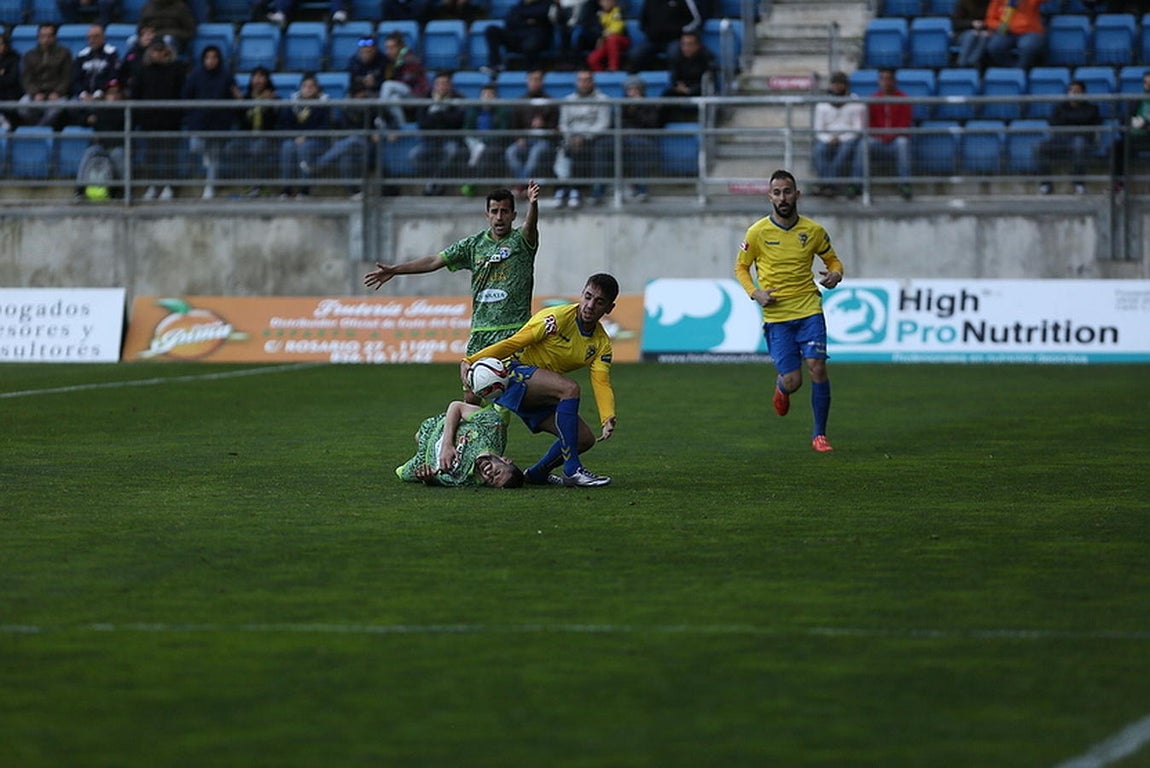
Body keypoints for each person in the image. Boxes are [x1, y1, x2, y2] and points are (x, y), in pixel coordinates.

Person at [462, 272, 620, 487]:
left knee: (584, 439)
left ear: (609, 308)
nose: (590, 305)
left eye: (599, 302)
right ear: (582, 294)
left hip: (541, 391)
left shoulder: (601, 344)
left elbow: (601, 381)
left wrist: (607, 416)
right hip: (514, 375)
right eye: (588, 296)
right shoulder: (556, 318)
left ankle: (537, 474)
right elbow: (514, 343)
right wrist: (471, 359)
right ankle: (572, 470)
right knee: (570, 388)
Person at [363, 181, 541, 361]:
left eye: (504, 211)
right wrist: (396, 270)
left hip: (515, 331)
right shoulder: (473, 245)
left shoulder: (521, 241)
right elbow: (434, 261)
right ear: (487, 215)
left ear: (513, 215)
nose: (499, 217)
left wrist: (533, 204)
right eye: (494, 211)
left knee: (519, 379)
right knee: (473, 380)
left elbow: (530, 226)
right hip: (481, 332)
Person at [733, 169, 844, 453]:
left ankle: (820, 435)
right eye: (777, 193)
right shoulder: (757, 232)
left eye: (787, 191)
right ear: (770, 197)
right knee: (794, 381)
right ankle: (782, 387)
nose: (782, 198)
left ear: (797, 194)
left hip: (809, 309)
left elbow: (833, 261)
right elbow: (741, 267)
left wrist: (835, 274)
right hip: (777, 316)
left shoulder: (813, 231)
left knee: (817, 366)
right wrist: (755, 292)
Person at [396, 400, 525, 488]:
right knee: (499, 417)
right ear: (505, 460)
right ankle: (489, 401)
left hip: (426, 458)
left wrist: (429, 479)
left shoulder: (468, 480)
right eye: (497, 473)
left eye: (491, 481)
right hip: (437, 426)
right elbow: (455, 406)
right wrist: (447, 445)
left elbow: (441, 480)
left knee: (403, 474)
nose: (489, 475)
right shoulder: (493, 430)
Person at [181, 44, 241, 200]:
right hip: (199, 121)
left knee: (214, 156)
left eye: (214, 57)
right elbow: (187, 95)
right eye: (208, 57)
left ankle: (210, 186)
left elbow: (234, 96)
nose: (211, 60)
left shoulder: (226, 76)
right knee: (196, 146)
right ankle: (206, 169)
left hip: (219, 122)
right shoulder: (196, 75)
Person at [131, 38, 184, 200]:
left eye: (161, 50)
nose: (158, 53)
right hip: (149, 121)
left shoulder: (176, 69)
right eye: (155, 50)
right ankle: (152, 186)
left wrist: (177, 115)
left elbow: (181, 93)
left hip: (170, 120)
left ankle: (169, 186)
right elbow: (136, 94)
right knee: (151, 155)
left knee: (169, 155)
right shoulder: (143, 70)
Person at [555, 68, 611, 208]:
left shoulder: (602, 99)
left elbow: (603, 124)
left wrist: (584, 136)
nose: (584, 83)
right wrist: (571, 136)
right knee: (562, 150)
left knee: (586, 149)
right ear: (576, 82)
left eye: (587, 80)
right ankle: (563, 188)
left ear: (593, 82)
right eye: (581, 80)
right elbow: (563, 124)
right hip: (570, 138)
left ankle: (575, 190)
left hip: (593, 138)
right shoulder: (568, 100)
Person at [1036, 79, 1101, 196]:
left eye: (1077, 91)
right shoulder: (1060, 107)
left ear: (1083, 93)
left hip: (1083, 140)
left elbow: (1088, 119)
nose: (1073, 94)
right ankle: (1046, 185)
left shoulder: (1092, 108)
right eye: (1071, 91)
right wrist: (1077, 120)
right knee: (1039, 147)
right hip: (1062, 140)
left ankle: (1079, 184)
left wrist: (1067, 119)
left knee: (1078, 144)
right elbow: (1053, 123)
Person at [223, 65, 279, 196]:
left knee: (257, 149)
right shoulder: (246, 98)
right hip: (247, 137)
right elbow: (241, 123)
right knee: (230, 148)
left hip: (267, 138)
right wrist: (240, 104)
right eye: (255, 77)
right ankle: (246, 182)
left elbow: (273, 123)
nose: (258, 80)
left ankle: (258, 185)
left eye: (261, 77)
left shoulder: (275, 98)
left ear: (267, 80)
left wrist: (270, 106)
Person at [409, 70, 465, 196]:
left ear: (450, 85)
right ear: (434, 85)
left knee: (452, 151)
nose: (442, 86)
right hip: (430, 140)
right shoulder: (426, 98)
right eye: (439, 83)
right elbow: (422, 122)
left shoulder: (459, 98)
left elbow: (457, 121)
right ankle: (434, 181)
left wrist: (436, 115)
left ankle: (435, 183)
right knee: (414, 155)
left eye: (445, 83)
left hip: (450, 139)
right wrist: (443, 115)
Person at [277, 72, 331, 199]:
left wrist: (307, 137)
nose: (308, 89)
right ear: (301, 88)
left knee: (305, 148)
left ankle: (304, 189)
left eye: (311, 86)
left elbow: (324, 127)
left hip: (317, 141)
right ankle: (286, 189)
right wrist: (295, 137)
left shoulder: (324, 104)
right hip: (295, 139)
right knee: (287, 147)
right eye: (305, 86)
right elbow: (284, 124)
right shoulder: (293, 103)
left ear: (317, 88)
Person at [811, 70, 865, 198]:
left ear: (846, 85)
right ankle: (829, 185)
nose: (837, 86)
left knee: (845, 149)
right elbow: (818, 130)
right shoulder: (822, 104)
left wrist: (841, 138)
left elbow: (858, 129)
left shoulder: (856, 102)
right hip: (827, 138)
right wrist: (829, 139)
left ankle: (827, 184)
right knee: (818, 150)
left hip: (849, 138)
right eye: (835, 83)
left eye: (841, 83)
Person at [863, 67, 913, 201]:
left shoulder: (903, 99)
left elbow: (904, 123)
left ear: (894, 81)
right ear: (879, 81)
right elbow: (870, 124)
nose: (886, 82)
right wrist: (881, 135)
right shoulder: (873, 99)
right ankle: (857, 183)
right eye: (883, 79)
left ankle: (905, 184)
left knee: (903, 143)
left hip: (895, 140)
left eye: (888, 79)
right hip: (878, 140)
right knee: (864, 143)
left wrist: (891, 135)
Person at [505, 68, 558, 193]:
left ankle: (522, 186)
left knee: (536, 152)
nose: (535, 82)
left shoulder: (550, 102)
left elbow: (555, 127)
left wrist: (543, 125)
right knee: (510, 152)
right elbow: (514, 126)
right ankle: (524, 184)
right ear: (527, 81)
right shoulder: (520, 102)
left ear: (542, 81)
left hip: (544, 140)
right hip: (525, 139)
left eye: (537, 79)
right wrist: (519, 138)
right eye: (532, 79)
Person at [628, 0, 705, 73]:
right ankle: (637, 80)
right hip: (653, 40)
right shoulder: (649, 1)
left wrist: (681, 31)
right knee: (635, 54)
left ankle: (676, 78)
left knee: (674, 53)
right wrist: (650, 32)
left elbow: (696, 20)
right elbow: (642, 22)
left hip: (675, 39)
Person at [19, 23, 72, 128]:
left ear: (54, 37)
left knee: (55, 109)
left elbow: (67, 77)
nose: (46, 39)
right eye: (43, 36)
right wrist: (35, 93)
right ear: (38, 37)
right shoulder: (29, 55)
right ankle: (38, 128)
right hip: (36, 92)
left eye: (49, 36)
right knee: (22, 106)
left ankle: (39, 129)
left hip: (56, 93)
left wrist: (57, 92)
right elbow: (26, 78)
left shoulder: (64, 53)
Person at [619, 74, 662, 202]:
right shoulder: (621, 105)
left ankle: (641, 189)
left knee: (638, 147)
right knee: (606, 144)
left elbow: (652, 124)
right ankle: (608, 188)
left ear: (641, 91)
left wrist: (638, 108)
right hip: (624, 139)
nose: (632, 93)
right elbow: (618, 123)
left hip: (644, 139)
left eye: (635, 89)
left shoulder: (649, 105)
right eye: (629, 89)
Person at [482, 0, 554, 75]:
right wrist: (527, 21)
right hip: (516, 39)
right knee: (491, 30)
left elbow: (542, 15)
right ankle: (495, 65)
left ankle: (532, 70)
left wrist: (521, 18)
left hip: (536, 40)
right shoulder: (518, 6)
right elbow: (509, 21)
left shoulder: (546, 5)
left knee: (531, 43)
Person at [660, 30, 717, 122]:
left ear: (697, 45)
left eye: (689, 44)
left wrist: (690, 90)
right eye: (683, 44)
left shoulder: (707, 58)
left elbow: (711, 80)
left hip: (700, 90)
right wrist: (677, 86)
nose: (686, 48)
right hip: (682, 89)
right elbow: (674, 78)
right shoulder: (676, 56)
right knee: (666, 96)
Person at [463, 82, 512, 183]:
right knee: (460, 151)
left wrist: (484, 142)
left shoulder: (502, 111)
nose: (487, 97)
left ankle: (474, 181)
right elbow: (467, 128)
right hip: (474, 142)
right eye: (484, 94)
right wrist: (476, 141)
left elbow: (502, 131)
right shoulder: (474, 110)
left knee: (489, 152)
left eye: (490, 95)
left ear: (496, 97)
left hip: (494, 143)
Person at [379, 30, 430, 130]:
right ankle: (401, 127)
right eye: (387, 48)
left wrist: (394, 69)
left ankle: (381, 114)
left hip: (416, 95)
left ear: (401, 47)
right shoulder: (390, 62)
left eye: (392, 48)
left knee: (387, 85)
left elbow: (406, 81)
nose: (388, 51)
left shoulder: (409, 59)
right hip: (402, 95)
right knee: (394, 99)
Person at [1111, 70, 1150, 192]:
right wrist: (1134, 123)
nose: (1148, 85)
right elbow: (1125, 119)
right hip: (1137, 136)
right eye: (1146, 82)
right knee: (1118, 146)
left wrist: (1146, 124)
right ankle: (1119, 184)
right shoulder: (1137, 99)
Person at [983, 0, 1047, 71]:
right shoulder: (997, 1)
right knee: (994, 47)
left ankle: (1019, 70)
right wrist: (998, 25)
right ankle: (1011, 70)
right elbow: (990, 19)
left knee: (1028, 46)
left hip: (1030, 31)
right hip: (1007, 32)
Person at [71, 24, 120, 103]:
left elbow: (113, 77)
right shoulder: (82, 55)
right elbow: (76, 79)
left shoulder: (111, 53)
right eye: (89, 37)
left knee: (111, 97)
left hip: (104, 94)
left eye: (96, 37)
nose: (92, 40)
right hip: (83, 96)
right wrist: (83, 94)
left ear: (103, 37)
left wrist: (99, 92)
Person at [585, 0, 629, 72]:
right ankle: (603, 75)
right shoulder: (598, 14)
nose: (606, 3)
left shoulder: (619, 11)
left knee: (612, 39)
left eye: (608, 1)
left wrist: (604, 35)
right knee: (592, 59)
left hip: (620, 40)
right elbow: (594, 29)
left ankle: (613, 68)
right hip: (605, 42)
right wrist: (601, 36)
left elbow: (619, 27)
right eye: (603, 1)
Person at [951, 0, 991, 69]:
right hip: (961, 33)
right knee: (971, 35)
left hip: (981, 31)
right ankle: (961, 63)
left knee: (984, 36)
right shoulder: (962, 3)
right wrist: (972, 24)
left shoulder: (988, 3)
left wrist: (984, 26)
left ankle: (972, 63)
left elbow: (989, 20)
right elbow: (956, 24)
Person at [0, 32, 24, 130]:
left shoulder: (14, 59)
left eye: (1, 44)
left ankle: (5, 123)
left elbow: (11, 80)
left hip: (9, 94)